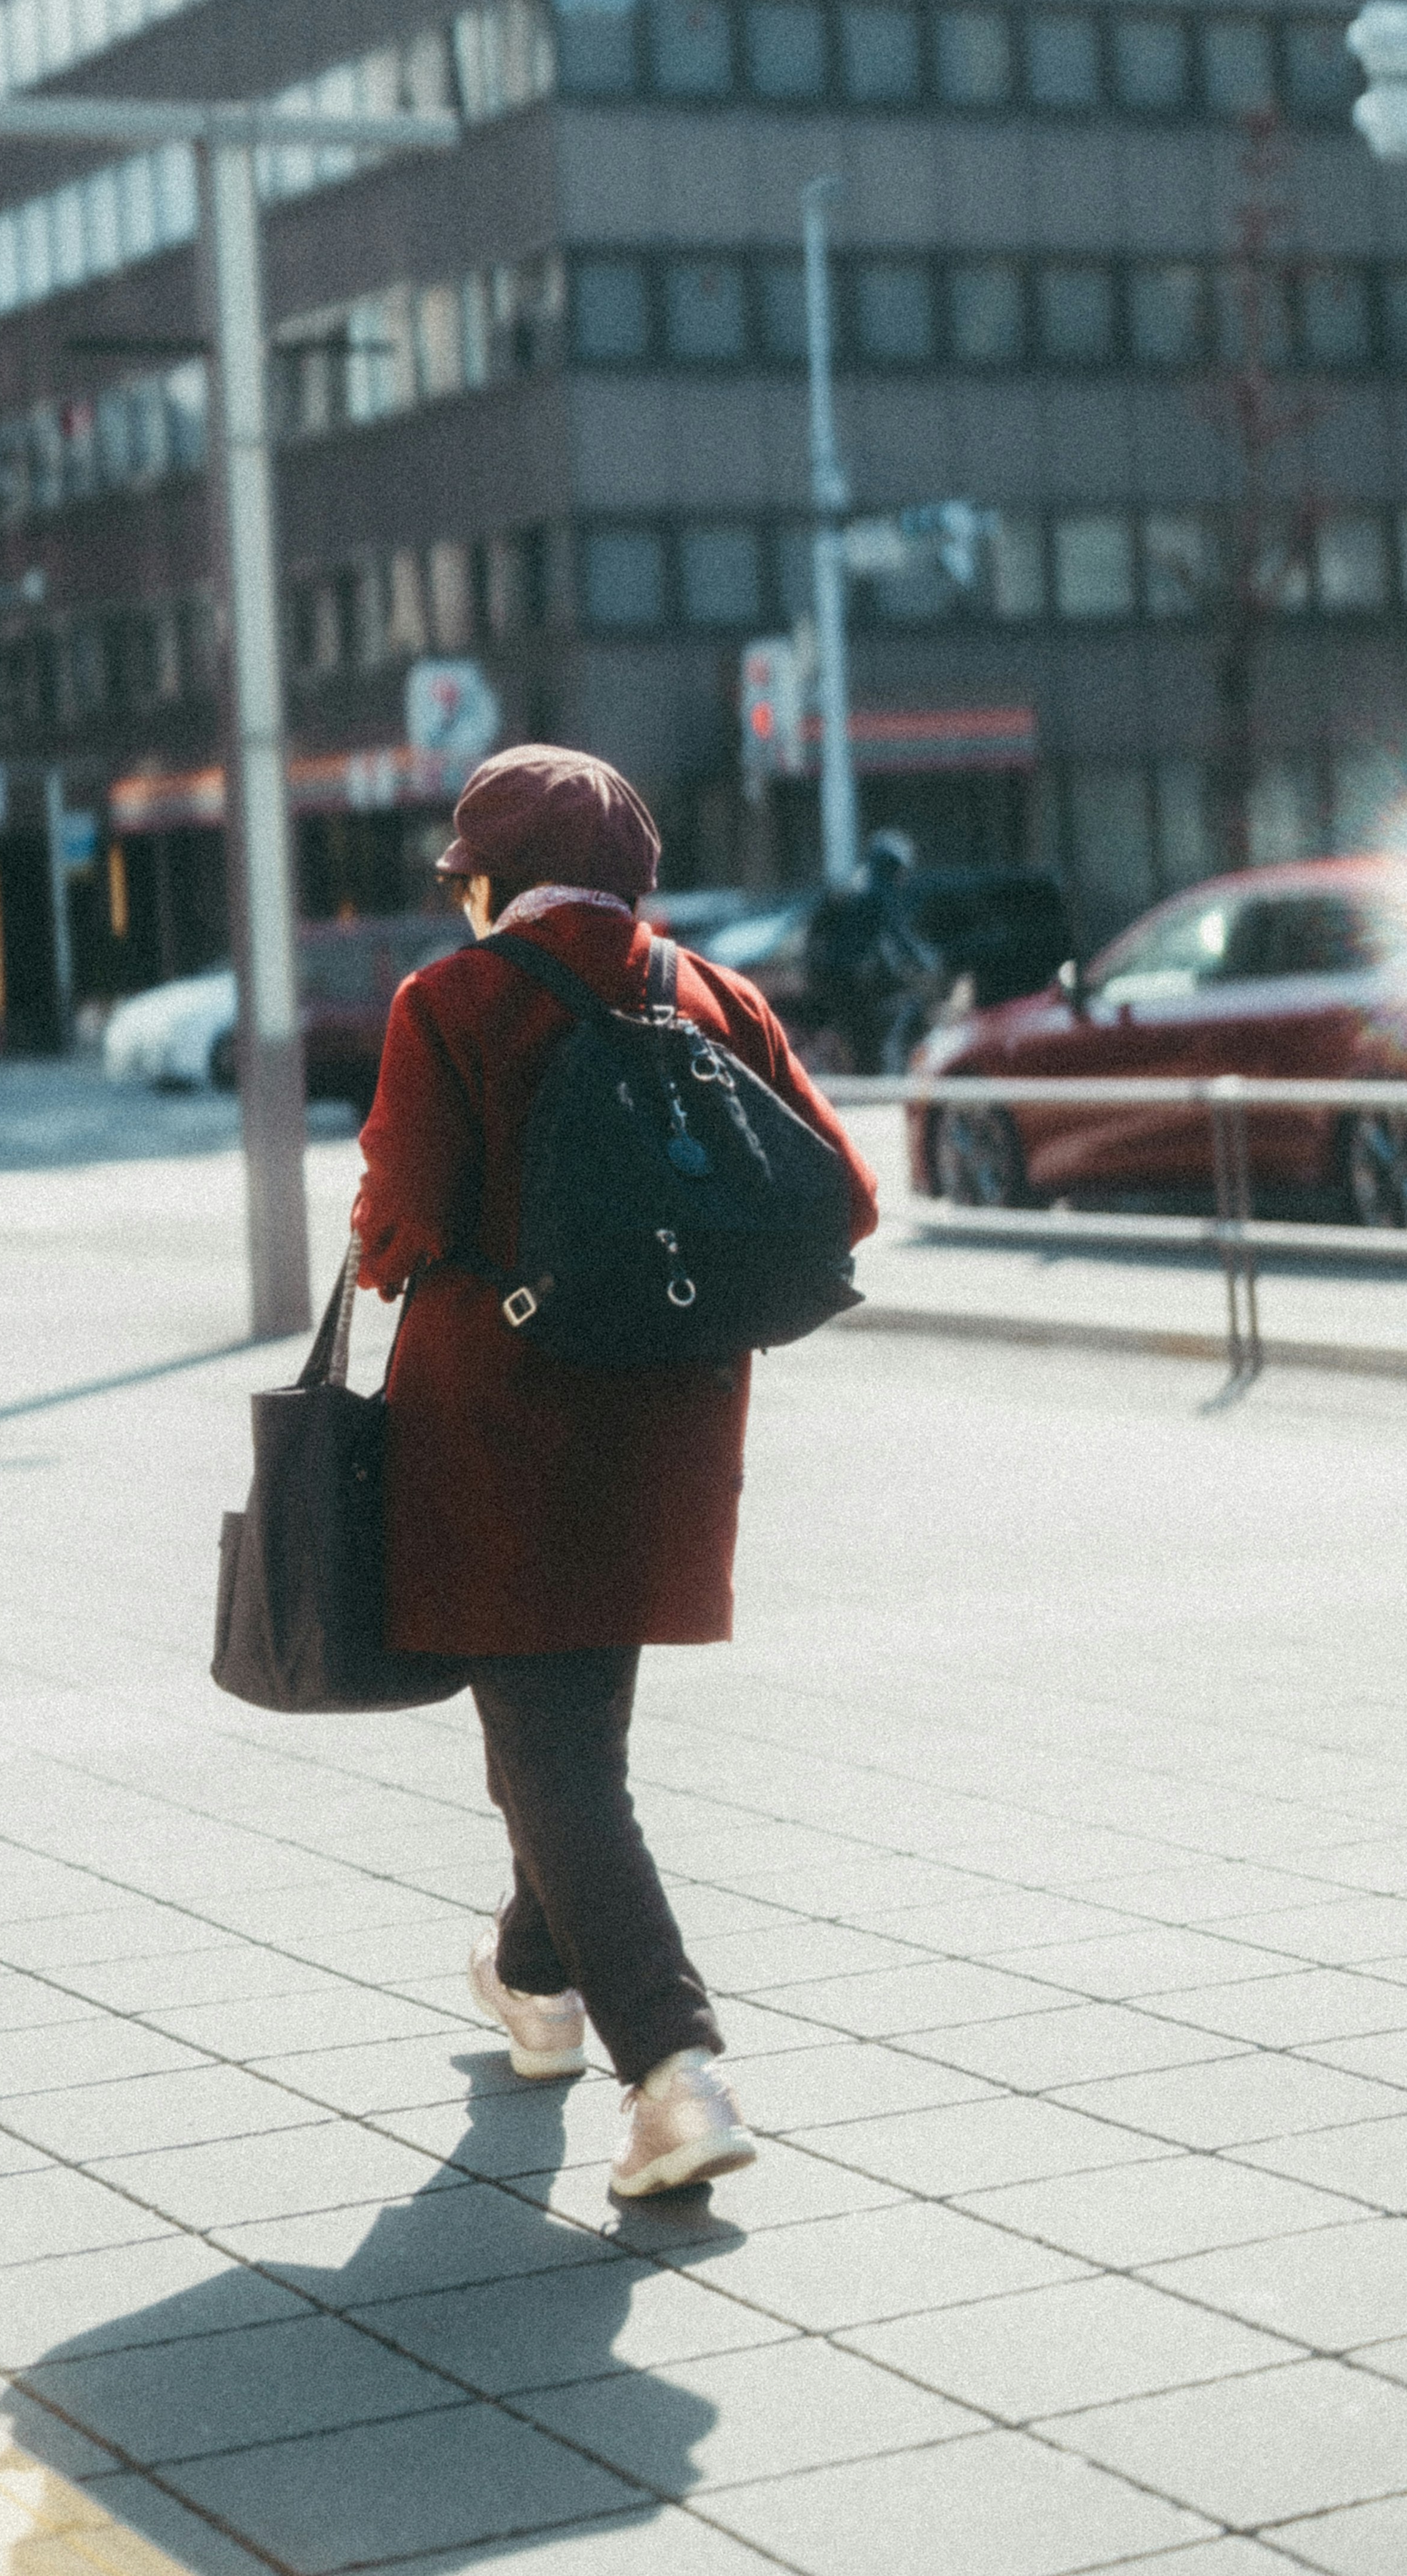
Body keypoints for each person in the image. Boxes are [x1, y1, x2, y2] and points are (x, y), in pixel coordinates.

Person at [354, 745, 879, 2200]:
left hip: (501, 1437)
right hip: (670, 1443)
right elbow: (846, 1194)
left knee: (558, 1753)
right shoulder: (716, 995)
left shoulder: (449, 1003)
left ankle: (674, 2070)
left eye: (465, 874)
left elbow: (401, 1221)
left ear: (493, 880)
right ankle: (533, 1983)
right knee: (570, 1738)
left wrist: (392, 1234)